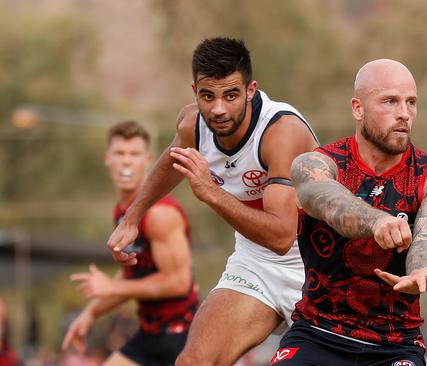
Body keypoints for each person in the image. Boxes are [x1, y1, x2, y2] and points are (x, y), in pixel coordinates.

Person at [106, 37, 319, 365]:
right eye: (208, 96)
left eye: (230, 95)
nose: (218, 109)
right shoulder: (193, 125)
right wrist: (132, 216)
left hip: (317, 267)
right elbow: (173, 160)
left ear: (250, 90)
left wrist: (211, 193)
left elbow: (281, 236)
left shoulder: (280, 132)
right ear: (195, 92)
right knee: (193, 362)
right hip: (255, 264)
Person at [271, 59, 427, 366]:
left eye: (411, 103)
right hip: (317, 333)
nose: (404, 114)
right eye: (390, 101)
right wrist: (377, 220)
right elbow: (323, 198)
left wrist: (421, 269)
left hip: (396, 344)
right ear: (358, 108)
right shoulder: (317, 163)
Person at [62, 121, 198, 366]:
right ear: (107, 159)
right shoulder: (123, 213)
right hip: (150, 335)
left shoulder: (160, 213)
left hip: (183, 337)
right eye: (120, 153)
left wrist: (111, 288)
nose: (126, 161)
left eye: (134, 154)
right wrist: (90, 313)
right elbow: (132, 275)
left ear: (148, 160)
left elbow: (178, 282)